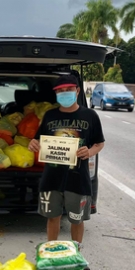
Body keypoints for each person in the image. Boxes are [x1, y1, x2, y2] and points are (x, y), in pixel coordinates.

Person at [28, 74, 105, 250]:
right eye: (60, 91)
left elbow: (99, 143)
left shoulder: (90, 115)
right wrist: (33, 144)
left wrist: (90, 151)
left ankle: (75, 255)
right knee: (52, 217)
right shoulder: (50, 116)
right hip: (51, 178)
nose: (64, 93)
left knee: (76, 219)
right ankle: (51, 254)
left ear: (77, 91)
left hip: (78, 178)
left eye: (68, 90)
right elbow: (38, 140)